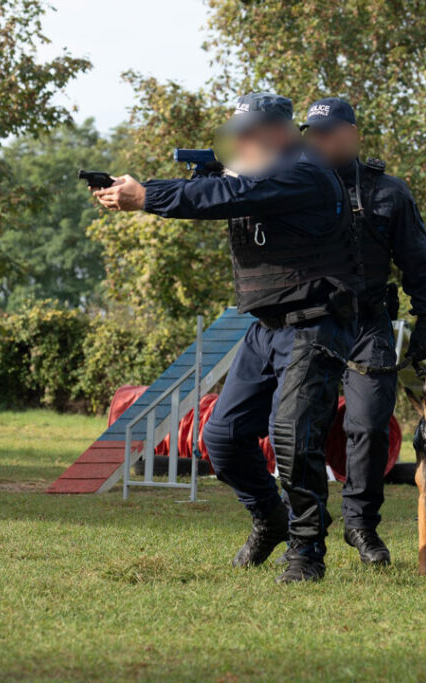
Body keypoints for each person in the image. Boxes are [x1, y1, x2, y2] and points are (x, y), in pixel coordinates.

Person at [93, 92, 362, 584]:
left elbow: (228, 197)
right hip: (266, 328)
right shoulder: (261, 173)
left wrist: (148, 197)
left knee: (293, 437)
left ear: (278, 133)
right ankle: (271, 517)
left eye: (247, 136)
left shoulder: (304, 171)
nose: (238, 146)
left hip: (315, 322)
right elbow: (226, 189)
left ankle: (306, 551)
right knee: (222, 437)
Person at [300, 97, 426, 565]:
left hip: (369, 325)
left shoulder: (389, 192)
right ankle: (305, 529)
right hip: (312, 324)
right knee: (302, 426)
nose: (319, 141)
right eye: (312, 133)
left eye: (329, 132)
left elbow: (417, 260)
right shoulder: (291, 185)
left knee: (369, 425)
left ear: (353, 134)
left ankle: (361, 527)